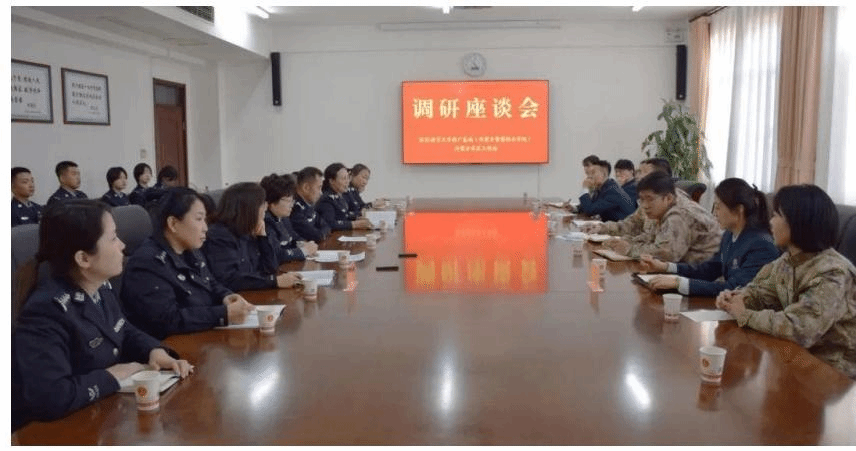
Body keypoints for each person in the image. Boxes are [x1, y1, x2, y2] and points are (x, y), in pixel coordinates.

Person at [11, 200, 193, 431]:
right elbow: (51, 397)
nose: (123, 245)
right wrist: (113, 375)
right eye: (113, 238)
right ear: (83, 259)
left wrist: (153, 351)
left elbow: (121, 329)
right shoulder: (46, 310)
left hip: (102, 417)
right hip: (61, 432)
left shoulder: (99, 285)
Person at [716, 185, 856, 379]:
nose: (770, 222)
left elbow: (801, 328)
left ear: (799, 222)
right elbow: (761, 293)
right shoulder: (787, 261)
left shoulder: (833, 272)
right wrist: (736, 299)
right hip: (794, 357)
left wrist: (746, 315)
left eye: (776, 216)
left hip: (833, 373)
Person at [121, 188, 256, 339]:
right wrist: (222, 314)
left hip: (202, 337)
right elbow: (168, 320)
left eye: (205, 220)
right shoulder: (148, 263)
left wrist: (226, 296)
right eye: (199, 219)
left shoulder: (191, 250)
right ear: (173, 223)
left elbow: (210, 282)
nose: (205, 228)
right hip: (173, 346)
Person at [640, 178, 780, 296]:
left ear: (739, 210)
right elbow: (708, 270)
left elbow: (733, 288)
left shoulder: (761, 245)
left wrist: (678, 283)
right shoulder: (729, 235)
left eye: (718, 207)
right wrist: (667, 267)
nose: (714, 213)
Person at [602, 171, 722, 263]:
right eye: (642, 199)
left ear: (668, 198)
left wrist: (629, 249)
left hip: (707, 275)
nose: (644, 206)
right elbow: (653, 236)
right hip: (686, 268)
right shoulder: (666, 204)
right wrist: (626, 242)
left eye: (650, 199)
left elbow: (667, 253)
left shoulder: (679, 214)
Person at [202, 182, 302, 291]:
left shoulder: (248, 230)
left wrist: (263, 238)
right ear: (249, 208)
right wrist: (274, 281)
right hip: (236, 297)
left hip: (252, 294)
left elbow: (270, 268)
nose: (265, 208)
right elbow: (230, 279)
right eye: (262, 204)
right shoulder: (220, 235)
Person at [584, 157, 673, 236]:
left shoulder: (673, 205)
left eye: (643, 172)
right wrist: (601, 228)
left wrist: (628, 246)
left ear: (660, 176)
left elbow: (662, 247)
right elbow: (630, 224)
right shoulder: (647, 200)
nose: (638, 176)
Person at [259, 173, 318, 264]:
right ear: (271, 202)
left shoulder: (283, 218)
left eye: (292, 200)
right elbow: (277, 254)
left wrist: (304, 244)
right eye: (288, 201)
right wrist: (303, 251)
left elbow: (293, 237)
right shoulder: (266, 222)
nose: (292, 205)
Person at [317, 163, 373, 231]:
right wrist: (354, 224)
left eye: (348, 178)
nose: (347, 182)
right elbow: (329, 224)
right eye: (344, 178)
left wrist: (357, 217)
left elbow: (344, 215)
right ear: (332, 181)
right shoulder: (327, 199)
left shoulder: (339, 196)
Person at [290, 166, 332, 243]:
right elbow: (316, 236)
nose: (321, 193)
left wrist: (322, 233)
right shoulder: (295, 208)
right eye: (319, 187)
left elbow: (326, 226)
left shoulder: (308, 204)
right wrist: (322, 233)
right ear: (306, 187)